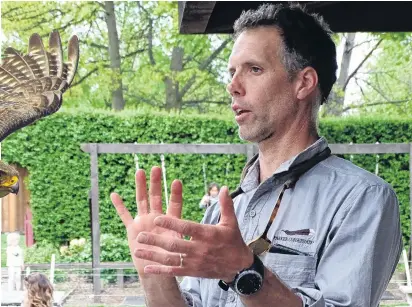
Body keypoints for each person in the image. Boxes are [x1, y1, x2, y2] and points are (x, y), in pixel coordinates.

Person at [111, 3, 402, 307]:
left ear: (303, 82)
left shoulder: (361, 199)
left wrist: (245, 272)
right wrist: (154, 274)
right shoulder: (224, 212)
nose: (232, 86)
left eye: (254, 69)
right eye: (232, 72)